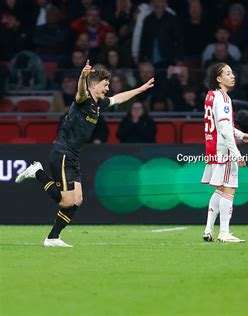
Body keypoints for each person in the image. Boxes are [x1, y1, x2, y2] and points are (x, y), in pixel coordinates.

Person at [14, 60, 154, 247]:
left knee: (77, 200)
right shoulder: (84, 99)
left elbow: (118, 98)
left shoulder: (98, 104)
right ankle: (37, 172)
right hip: (62, 152)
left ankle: (53, 238)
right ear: (94, 85)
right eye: (105, 85)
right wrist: (82, 76)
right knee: (65, 201)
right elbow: (80, 91)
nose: (107, 88)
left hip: (73, 155)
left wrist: (140, 89)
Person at [201, 62, 248, 243]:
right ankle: (224, 233)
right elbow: (224, 129)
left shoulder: (211, 96)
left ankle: (208, 229)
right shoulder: (223, 98)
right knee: (229, 189)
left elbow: (222, 125)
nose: (233, 76)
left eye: (233, 73)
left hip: (212, 147)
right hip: (223, 149)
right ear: (218, 78)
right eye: (228, 73)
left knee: (220, 189)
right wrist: (236, 153)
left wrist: (240, 134)